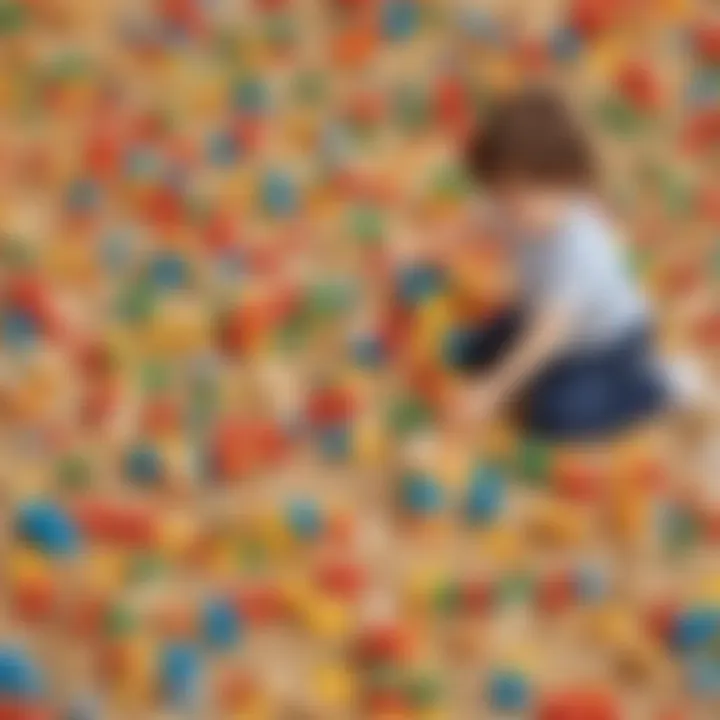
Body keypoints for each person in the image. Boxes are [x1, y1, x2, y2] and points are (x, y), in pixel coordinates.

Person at [446, 87, 671, 440]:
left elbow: (545, 337)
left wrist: (491, 392)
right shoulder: (520, 206)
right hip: (537, 312)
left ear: (568, 182)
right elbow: (475, 222)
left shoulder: (580, 250)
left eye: (517, 197)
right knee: (472, 352)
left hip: (606, 346)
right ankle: (525, 373)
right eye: (501, 193)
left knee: (553, 414)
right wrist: (415, 247)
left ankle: (657, 385)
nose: (508, 208)